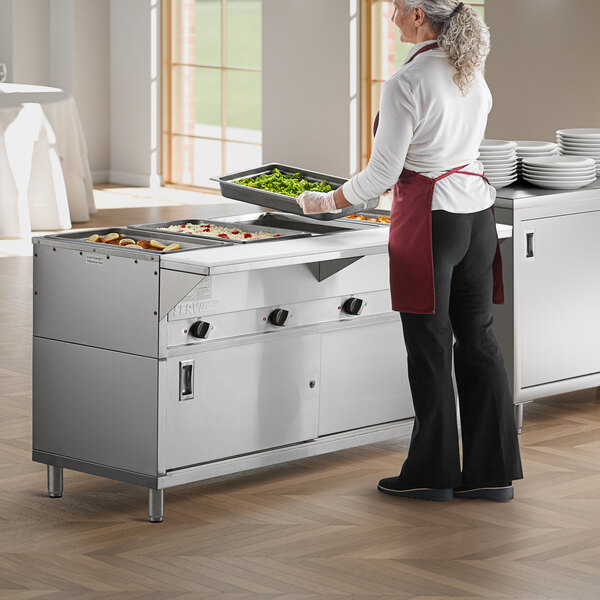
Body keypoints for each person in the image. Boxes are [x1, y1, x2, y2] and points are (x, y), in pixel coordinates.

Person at [296, 0, 523, 502]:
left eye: (397, 8)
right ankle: (493, 473)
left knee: (430, 346)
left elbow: (382, 174)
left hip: (431, 222)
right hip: (477, 216)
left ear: (419, 15)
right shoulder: (471, 75)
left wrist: (324, 202)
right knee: (480, 341)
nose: (391, 16)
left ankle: (432, 474)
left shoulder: (407, 83)